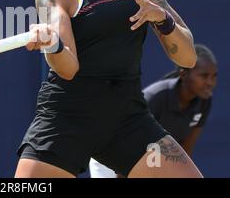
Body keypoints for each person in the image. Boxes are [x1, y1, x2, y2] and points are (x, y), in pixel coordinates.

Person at [14, 0, 203, 178]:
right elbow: (67, 68)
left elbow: (188, 58)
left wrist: (162, 18)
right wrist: (52, 45)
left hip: (127, 119)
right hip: (67, 120)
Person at [89, 44, 218, 177]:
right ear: (183, 74)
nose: (210, 82)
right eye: (204, 76)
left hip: (145, 158)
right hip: (112, 155)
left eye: (214, 76)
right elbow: (128, 141)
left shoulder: (204, 101)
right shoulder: (156, 97)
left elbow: (186, 150)